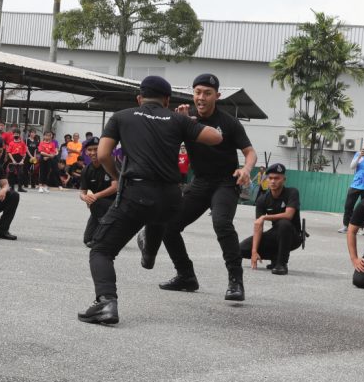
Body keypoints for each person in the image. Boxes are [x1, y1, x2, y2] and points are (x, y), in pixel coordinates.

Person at [79, 75, 223, 325]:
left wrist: (118, 177)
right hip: (171, 197)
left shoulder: (122, 116)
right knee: (158, 216)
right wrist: (188, 121)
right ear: (167, 100)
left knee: (101, 251)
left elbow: (103, 154)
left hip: (137, 192)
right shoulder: (177, 119)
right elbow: (216, 137)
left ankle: (105, 303)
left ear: (139, 98)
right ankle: (149, 254)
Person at [145, 73, 257, 301]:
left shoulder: (229, 122)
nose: (201, 97)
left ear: (217, 95)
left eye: (207, 93)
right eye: (197, 92)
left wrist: (246, 169)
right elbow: (165, 143)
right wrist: (181, 123)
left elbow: (250, 152)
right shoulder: (185, 117)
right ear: (192, 94)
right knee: (169, 226)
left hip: (226, 182)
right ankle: (186, 276)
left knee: (222, 223)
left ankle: (236, 281)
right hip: (200, 182)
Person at [240, 163, 302, 275]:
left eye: (277, 178)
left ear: (284, 179)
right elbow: (258, 226)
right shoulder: (262, 200)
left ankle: (281, 264)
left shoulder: (292, 192)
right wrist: (254, 251)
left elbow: (288, 215)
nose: (273, 181)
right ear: (267, 179)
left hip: (293, 236)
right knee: (241, 249)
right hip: (276, 235)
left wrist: (265, 217)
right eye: (270, 178)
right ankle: (275, 257)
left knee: (284, 224)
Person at [79, 137, 117, 247]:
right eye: (90, 150)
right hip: (99, 205)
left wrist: (95, 196)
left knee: (95, 202)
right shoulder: (86, 170)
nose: (93, 152)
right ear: (86, 152)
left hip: (117, 204)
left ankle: (107, 232)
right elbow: (82, 192)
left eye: (96, 149)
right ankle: (106, 232)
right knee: (87, 240)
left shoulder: (110, 163)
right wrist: (85, 197)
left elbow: (116, 187)